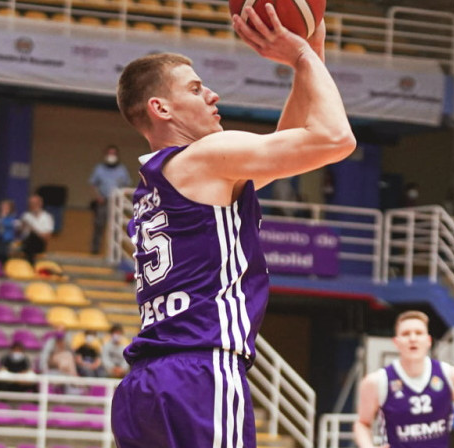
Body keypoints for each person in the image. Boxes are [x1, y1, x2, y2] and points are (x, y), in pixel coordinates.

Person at [110, 4, 356, 447]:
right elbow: (336, 139)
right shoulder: (206, 157)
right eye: (196, 87)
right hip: (200, 372)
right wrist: (301, 57)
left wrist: (312, 54)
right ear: (161, 107)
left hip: (146, 385)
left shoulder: (158, 182)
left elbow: (282, 156)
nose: (213, 95)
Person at [353, 311, 454, 448]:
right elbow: (362, 424)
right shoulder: (376, 381)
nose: (412, 338)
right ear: (396, 342)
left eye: (419, 333)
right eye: (406, 334)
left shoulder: (451, 375)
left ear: (428, 340)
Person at [89, 145, 132, 254]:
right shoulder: (99, 168)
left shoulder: (122, 169)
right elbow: (93, 184)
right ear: (105, 155)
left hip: (117, 202)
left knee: (116, 227)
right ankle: (95, 250)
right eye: (109, 153)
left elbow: (127, 185)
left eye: (113, 154)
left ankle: (115, 252)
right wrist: (97, 196)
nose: (111, 156)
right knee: (98, 225)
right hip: (103, 201)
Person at [20, 195, 53, 264]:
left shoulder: (47, 217)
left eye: (34, 204)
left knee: (33, 237)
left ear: (40, 204)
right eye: (30, 204)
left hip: (39, 243)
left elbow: (47, 237)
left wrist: (34, 230)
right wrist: (22, 227)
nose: (32, 206)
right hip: (26, 242)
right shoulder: (26, 216)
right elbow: (20, 233)